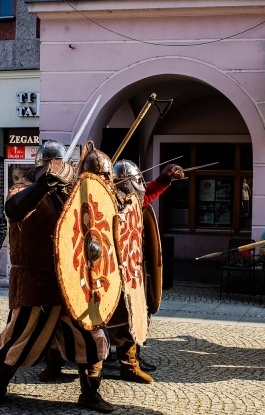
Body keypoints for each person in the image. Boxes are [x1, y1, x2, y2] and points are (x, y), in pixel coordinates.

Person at [0, 140, 114, 413]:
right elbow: (15, 210)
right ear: (40, 167)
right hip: (36, 282)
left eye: (56, 165)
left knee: (90, 340)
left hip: (73, 282)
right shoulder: (23, 190)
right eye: (47, 165)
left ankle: (89, 393)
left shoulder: (72, 196)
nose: (52, 168)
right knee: (18, 339)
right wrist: (43, 185)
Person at [41, 159, 186, 385]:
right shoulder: (71, 200)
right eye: (102, 175)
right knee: (68, 324)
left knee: (127, 320)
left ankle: (129, 365)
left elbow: (141, 201)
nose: (106, 180)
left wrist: (164, 179)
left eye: (108, 176)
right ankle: (54, 364)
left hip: (113, 274)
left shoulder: (119, 200)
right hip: (80, 275)